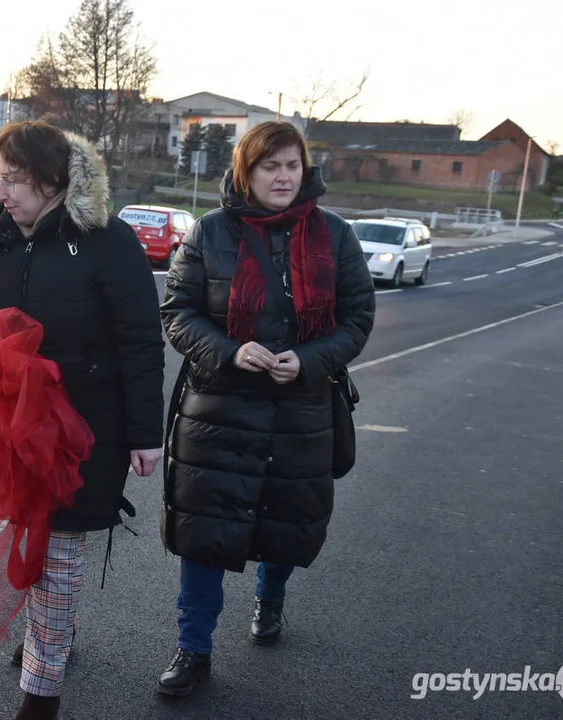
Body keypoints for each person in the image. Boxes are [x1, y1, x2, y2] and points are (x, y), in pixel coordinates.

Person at [156, 121, 375, 696]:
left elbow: (357, 319)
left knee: (283, 522)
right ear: (245, 172)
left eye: (292, 166)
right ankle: (193, 648)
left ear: (305, 170)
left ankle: (270, 596)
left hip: (301, 409)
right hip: (220, 406)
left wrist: (307, 360)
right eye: (269, 166)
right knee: (205, 532)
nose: (282, 177)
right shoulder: (209, 231)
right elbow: (177, 312)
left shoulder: (336, 233)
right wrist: (231, 351)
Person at [0, 121, 165, 719]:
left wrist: (144, 434)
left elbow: (139, 342)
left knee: (59, 554)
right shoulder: (1, 240)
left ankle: (40, 692)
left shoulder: (109, 241)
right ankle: (49, 645)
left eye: (15, 182)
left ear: (52, 181)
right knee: (32, 540)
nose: (1, 195)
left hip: (87, 431)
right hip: (17, 426)